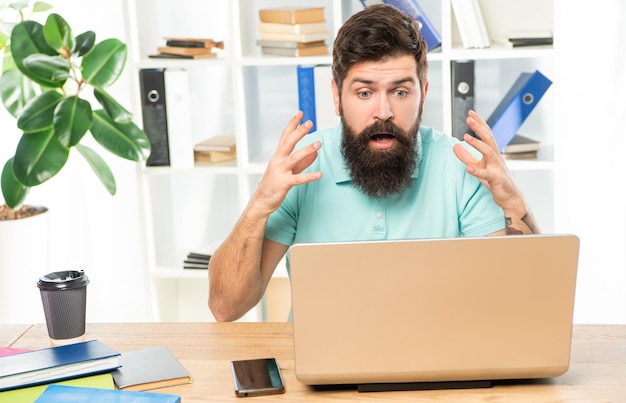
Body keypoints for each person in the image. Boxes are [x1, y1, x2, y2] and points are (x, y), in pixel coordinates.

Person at [208, 4, 539, 322]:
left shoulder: (461, 164)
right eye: (365, 93)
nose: (384, 111)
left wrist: (512, 200)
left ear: (422, 94)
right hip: (321, 366)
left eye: (400, 92)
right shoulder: (303, 163)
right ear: (337, 97)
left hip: (436, 364)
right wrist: (259, 207)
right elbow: (226, 307)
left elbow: (522, 301)